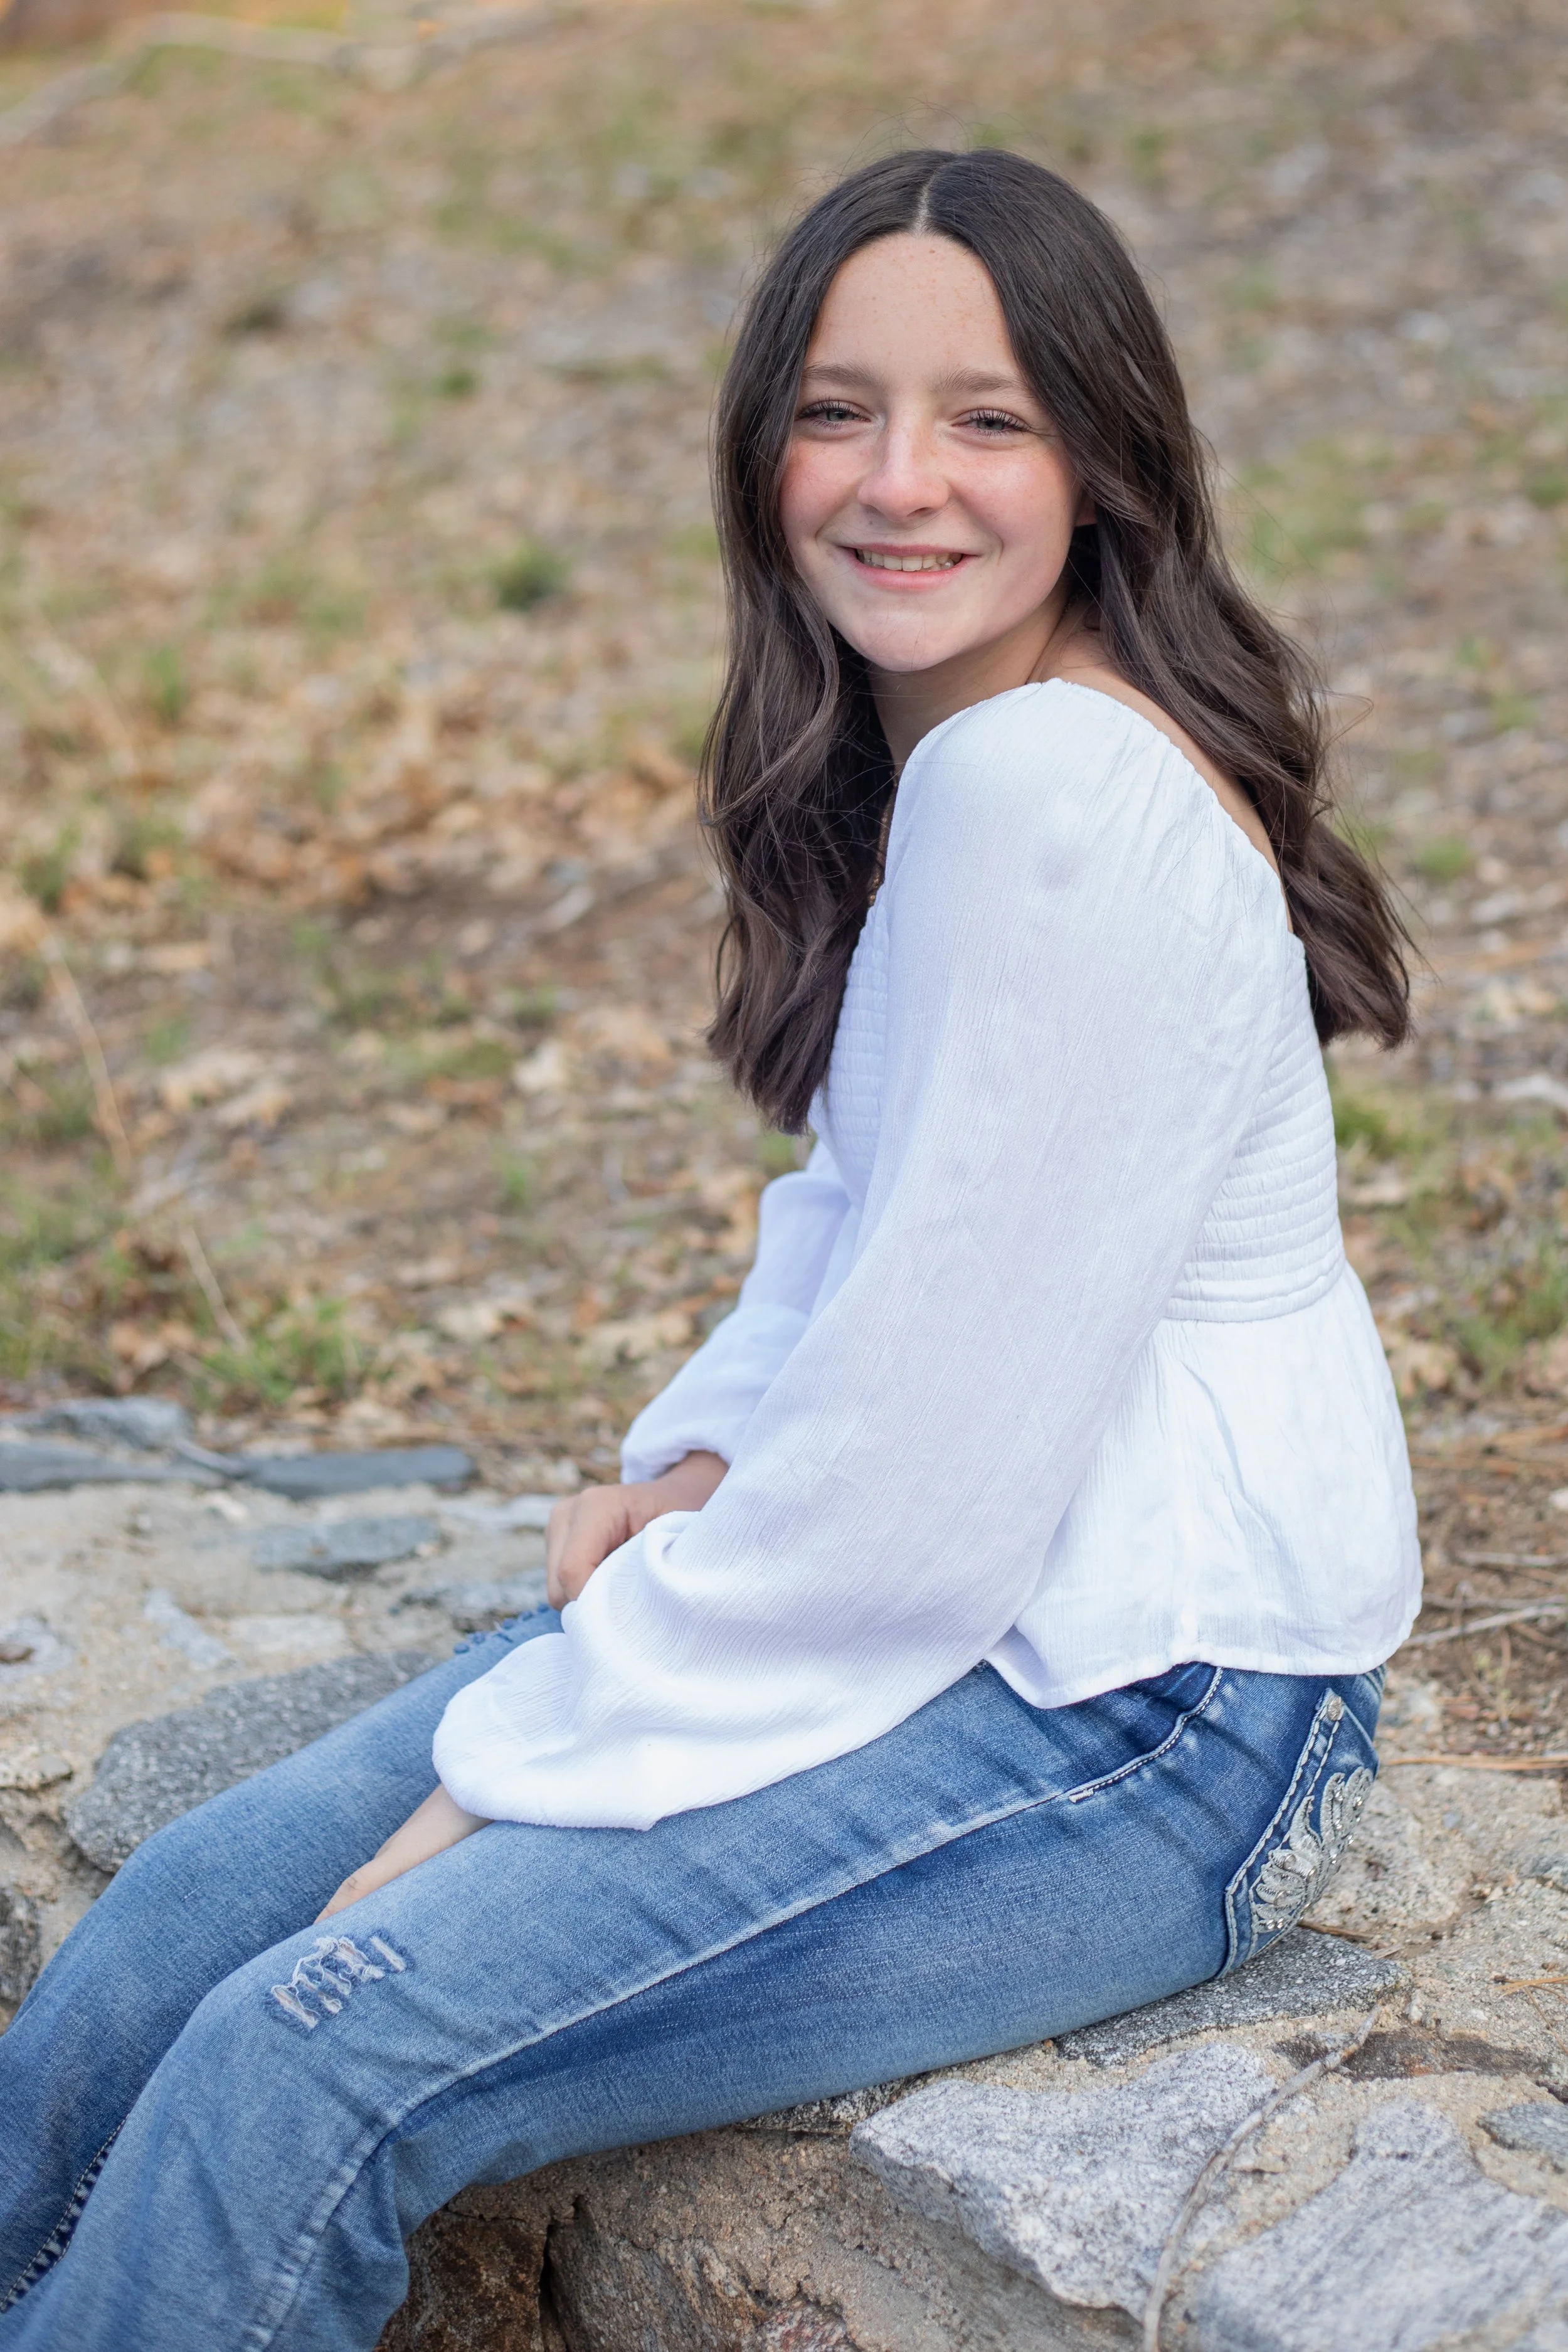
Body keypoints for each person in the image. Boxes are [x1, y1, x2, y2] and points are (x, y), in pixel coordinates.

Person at [0, 149, 1418, 2351]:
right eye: (836, 409)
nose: (896, 481)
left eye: (987, 417)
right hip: (961, 1625)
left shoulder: (1059, 792)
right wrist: (692, 1467)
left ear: (1105, 462)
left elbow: (919, 1492)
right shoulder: (959, 756)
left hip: (1138, 1719)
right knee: (184, 1912)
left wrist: (528, 1774)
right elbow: (869, 1216)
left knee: (312, 2046)